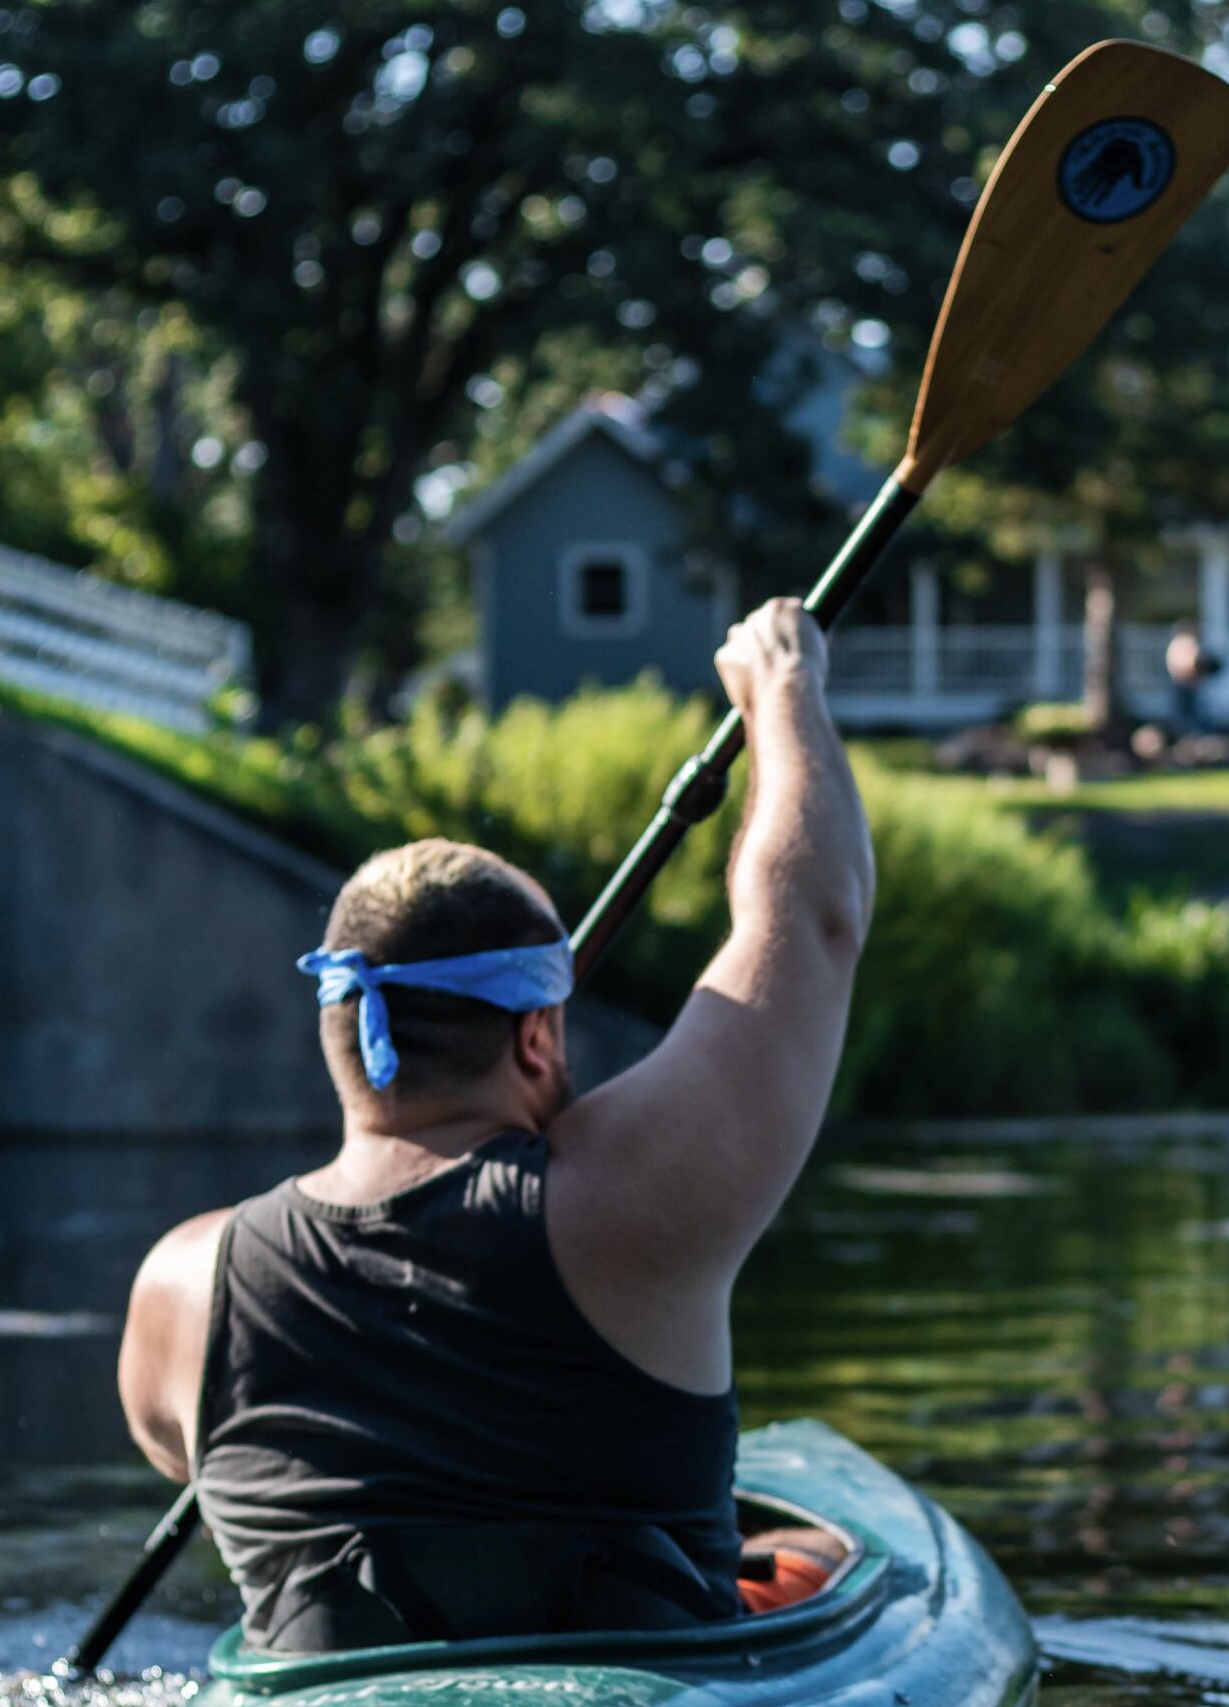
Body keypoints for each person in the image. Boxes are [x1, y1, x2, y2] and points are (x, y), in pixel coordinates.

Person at [114, 599, 872, 1653]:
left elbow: (175, 1451)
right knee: (818, 1566)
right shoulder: (625, 1199)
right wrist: (783, 690)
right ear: (533, 1040)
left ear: (339, 1033)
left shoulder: (180, 1288)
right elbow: (810, 918)